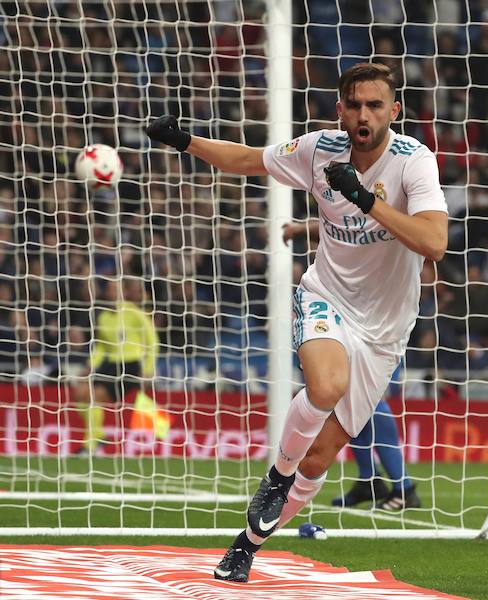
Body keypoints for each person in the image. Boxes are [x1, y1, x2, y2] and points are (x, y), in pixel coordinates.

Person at [147, 62, 448, 583]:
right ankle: (276, 477)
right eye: (355, 105)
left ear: (394, 111)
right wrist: (184, 140)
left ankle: (245, 546)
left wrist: (364, 199)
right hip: (325, 297)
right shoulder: (317, 150)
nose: (364, 115)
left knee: (318, 460)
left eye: (375, 105)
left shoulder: (413, 162)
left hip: (385, 329)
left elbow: (434, 243)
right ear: (340, 110)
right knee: (326, 385)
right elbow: (248, 159)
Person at [282, 221, 422, 511]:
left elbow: (365, 229)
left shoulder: (398, 212)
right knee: (345, 404)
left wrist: (300, 229)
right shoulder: (356, 222)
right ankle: (369, 479)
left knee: (370, 402)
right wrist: (302, 229)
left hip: (381, 327)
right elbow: (342, 226)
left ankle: (404, 487)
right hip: (350, 317)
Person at [73, 276, 160, 455]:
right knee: (80, 394)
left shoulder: (135, 313)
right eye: (110, 289)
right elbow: (101, 346)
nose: (113, 293)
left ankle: (91, 443)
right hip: (110, 364)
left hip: (130, 365)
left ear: (124, 292)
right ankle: (98, 435)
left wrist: (148, 368)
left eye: (116, 289)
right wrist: (90, 365)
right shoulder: (103, 317)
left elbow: (152, 341)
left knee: (94, 397)